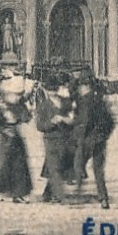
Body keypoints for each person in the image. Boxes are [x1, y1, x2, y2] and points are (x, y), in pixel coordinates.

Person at [71, 71, 116, 209]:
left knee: (78, 166)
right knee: (98, 171)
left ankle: (78, 194)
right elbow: (110, 122)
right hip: (99, 141)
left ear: (85, 86)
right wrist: (103, 136)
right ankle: (103, 198)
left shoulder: (84, 101)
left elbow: (83, 122)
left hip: (86, 141)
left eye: (81, 86)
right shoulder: (99, 100)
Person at [35, 73, 76, 202]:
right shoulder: (43, 106)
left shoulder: (65, 102)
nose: (53, 91)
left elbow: (73, 119)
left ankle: (47, 193)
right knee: (54, 166)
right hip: (50, 138)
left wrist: (65, 119)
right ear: (46, 90)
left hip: (64, 138)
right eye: (50, 89)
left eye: (55, 88)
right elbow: (40, 126)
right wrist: (52, 122)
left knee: (60, 166)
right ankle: (58, 196)